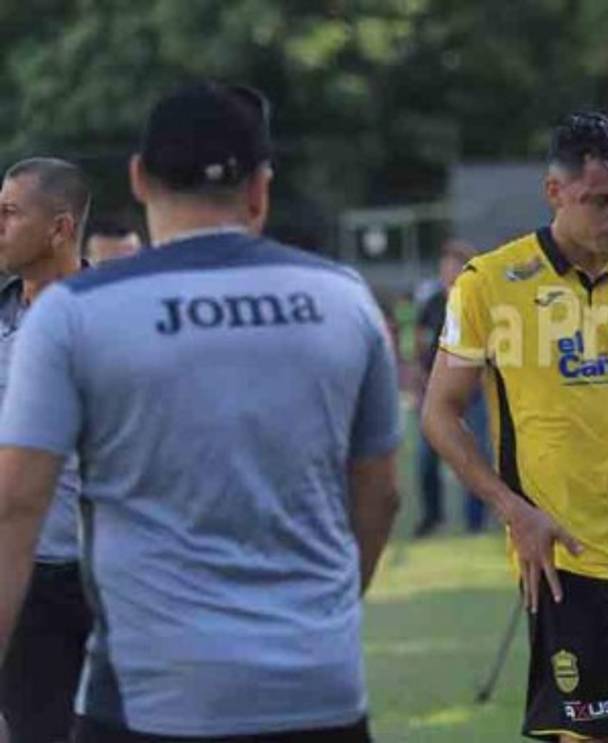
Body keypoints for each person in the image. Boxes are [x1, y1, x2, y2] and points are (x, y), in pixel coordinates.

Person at [0, 82, 403, 742]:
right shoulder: (344, 298)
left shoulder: (75, 314)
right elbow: (381, 495)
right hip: (317, 685)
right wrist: (316, 622)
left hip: (152, 696)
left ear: (138, 178)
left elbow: (14, 510)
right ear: (260, 188)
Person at [422, 111, 608, 743]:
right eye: (602, 201)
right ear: (555, 193)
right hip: (564, 559)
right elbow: (439, 413)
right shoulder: (489, 283)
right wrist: (513, 512)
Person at [0, 158, 92, 743]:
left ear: (60, 228)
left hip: (111, 581)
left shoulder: (117, 321)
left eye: (9, 213)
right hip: (22, 580)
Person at [412, 238, 490, 536]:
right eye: (444, 266)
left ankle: (475, 522)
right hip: (435, 391)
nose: (448, 272)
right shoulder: (433, 303)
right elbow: (419, 341)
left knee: (475, 454)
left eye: (454, 266)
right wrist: (418, 374)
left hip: (473, 392)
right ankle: (433, 517)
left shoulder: (477, 302)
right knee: (426, 457)